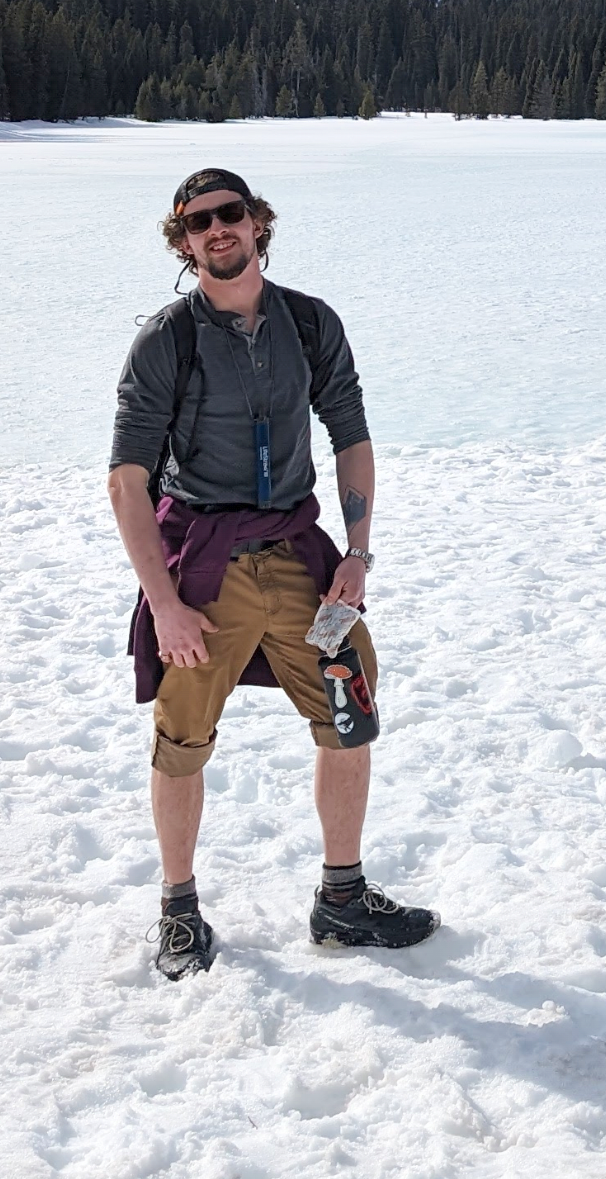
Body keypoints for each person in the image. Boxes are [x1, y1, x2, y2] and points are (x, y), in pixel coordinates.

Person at [108, 165, 439, 979]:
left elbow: (350, 433)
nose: (216, 229)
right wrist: (165, 605)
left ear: (258, 221)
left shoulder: (311, 324)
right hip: (203, 567)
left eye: (229, 213)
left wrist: (357, 552)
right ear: (183, 243)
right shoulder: (166, 340)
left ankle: (343, 898)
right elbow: (127, 481)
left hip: (297, 556)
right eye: (197, 223)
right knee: (182, 738)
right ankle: (179, 910)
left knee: (351, 710)